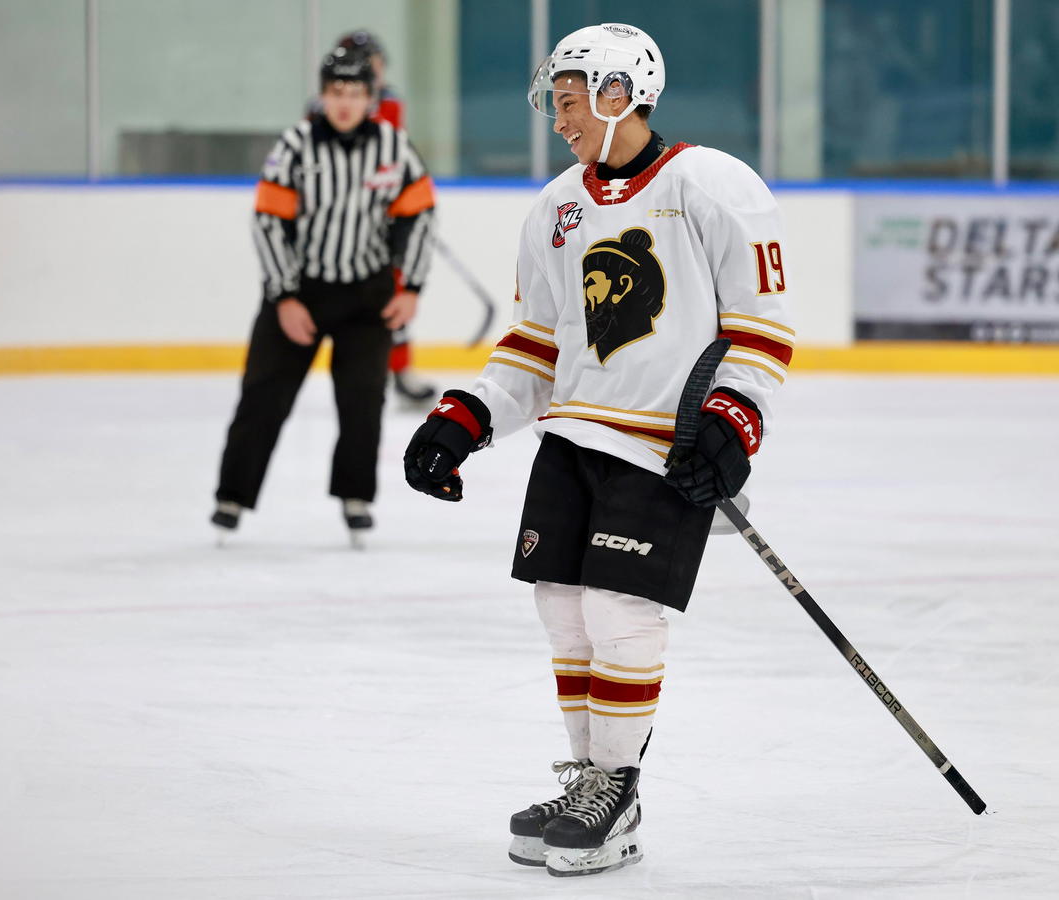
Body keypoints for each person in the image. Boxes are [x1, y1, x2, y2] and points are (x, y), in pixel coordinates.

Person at [402, 23, 793, 876]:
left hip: (661, 445)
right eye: (557, 102)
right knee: (564, 607)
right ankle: (590, 778)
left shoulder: (711, 184)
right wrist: (464, 419)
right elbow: (535, 348)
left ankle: (617, 788)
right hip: (572, 438)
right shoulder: (556, 206)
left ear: (622, 92)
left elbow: (761, 332)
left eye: (572, 100)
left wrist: (734, 425)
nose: (560, 118)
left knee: (620, 613)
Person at [211, 46, 435, 546]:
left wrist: (412, 288)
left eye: (355, 93)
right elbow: (268, 221)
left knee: (363, 401)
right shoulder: (294, 145)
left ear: (371, 98)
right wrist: (285, 297)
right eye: (336, 92)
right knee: (264, 395)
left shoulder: (394, 147)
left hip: (366, 294)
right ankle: (232, 495)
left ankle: (355, 497)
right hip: (300, 290)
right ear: (322, 95)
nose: (345, 103)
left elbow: (420, 217)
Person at [335, 29, 438, 405]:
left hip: (383, 219)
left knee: (393, 292)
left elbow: (393, 157)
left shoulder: (389, 103)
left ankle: (398, 370)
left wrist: (408, 209)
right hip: (336, 221)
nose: (378, 70)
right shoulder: (326, 104)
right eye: (372, 61)